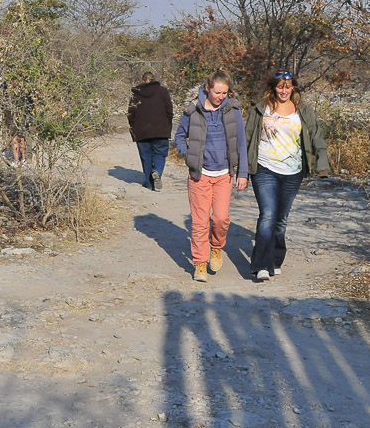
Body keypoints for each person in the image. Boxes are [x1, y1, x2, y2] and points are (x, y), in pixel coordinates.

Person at [244, 71, 331, 282]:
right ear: (273, 87)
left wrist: (322, 166)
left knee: (281, 219)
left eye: (288, 86)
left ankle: (275, 259)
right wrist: (239, 170)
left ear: (293, 88)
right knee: (267, 214)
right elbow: (246, 138)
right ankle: (261, 266)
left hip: (293, 171)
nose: (284, 90)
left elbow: (317, 137)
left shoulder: (303, 111)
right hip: (264, 167)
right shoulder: (260, 109)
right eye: (280, 86)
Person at [174, 70, 248, 283]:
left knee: (221, 218)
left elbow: (242, 142)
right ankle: (200, 263)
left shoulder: (233, 111)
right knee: (199, 222)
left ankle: (216, 246)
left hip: (224, 174)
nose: (221, 96)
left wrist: (242, 172)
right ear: (207, 88)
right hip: (200, 175)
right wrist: (188, 156)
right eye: (217, 92)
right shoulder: (193, 110)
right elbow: (179, 135)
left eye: (225, 93)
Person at [127, 71, 174, 191]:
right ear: (154, 79)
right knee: (159, 153)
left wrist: (133, 126)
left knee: (146, 156)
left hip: (141, 130)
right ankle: (157, 171)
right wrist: (168, 125)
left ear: (142, 80)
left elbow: (131, 113)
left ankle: (148, 182)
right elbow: (169, 110)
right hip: (160, 129)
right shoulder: (163, 91)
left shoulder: (136, 93)